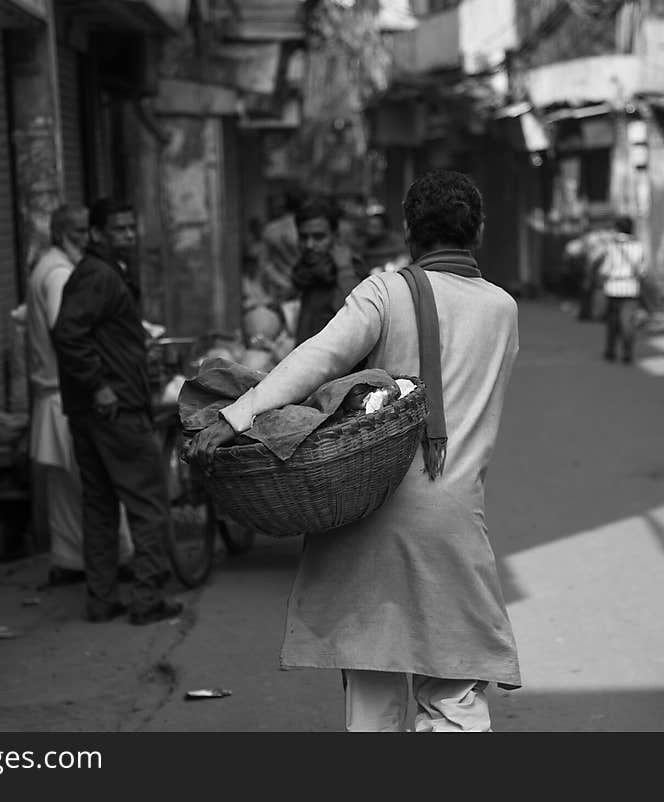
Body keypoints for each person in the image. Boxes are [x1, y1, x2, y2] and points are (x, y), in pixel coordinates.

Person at [187, 170, 521, 732]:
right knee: (457, 692)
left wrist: (235, 415)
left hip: (370, 516)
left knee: (373, 692)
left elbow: (314, 359)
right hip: (457, 522)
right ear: (479, 232)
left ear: (409, 230)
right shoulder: (503, 309)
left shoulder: (383, 292)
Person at [51, 197, 182, 625]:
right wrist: (100, 386)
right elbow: (68, 334)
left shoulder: (102, 274)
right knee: (148, 502)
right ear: (97, 234)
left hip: (95, 410)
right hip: (114, 410)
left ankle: (102, 599)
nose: (128, 236)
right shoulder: (99, 276)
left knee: (101, 506)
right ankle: (147, 600)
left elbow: (89, 334)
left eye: (131, 228)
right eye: (119, 230)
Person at [25, 205, 134, 587]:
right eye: (83, 232)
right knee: (97, 492)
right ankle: (109, 569)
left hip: (57, 395)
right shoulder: (58, 274)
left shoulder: (47, 266)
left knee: (72, 495)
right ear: (67, 235)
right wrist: (99, 383)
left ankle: (77, 564)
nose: (89, 239)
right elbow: (69, 330)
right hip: (68, 393)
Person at [291, 197, 364, 345]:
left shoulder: (351, 268)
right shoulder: (305, 272)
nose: (309, 245)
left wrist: (344, 269)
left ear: (335, 236)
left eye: (319, 237)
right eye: (304, 237)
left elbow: (354, 318)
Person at [596, 215, 648, 363]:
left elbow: (605, 269)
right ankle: (627, 352)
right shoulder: (638, 246)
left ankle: (610, 351)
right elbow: (642, 270)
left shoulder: (611, 246)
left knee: (613, 321)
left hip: (613, 288)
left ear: (617, 228)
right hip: (631, 288)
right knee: (628, 322)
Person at [359, 203, 409, 277]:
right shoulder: (361, 246)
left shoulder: (398, 246)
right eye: (368, 226)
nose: (369, 231)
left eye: (375, 227)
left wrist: (384, 269)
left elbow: (402, 261)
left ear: (385, 230)